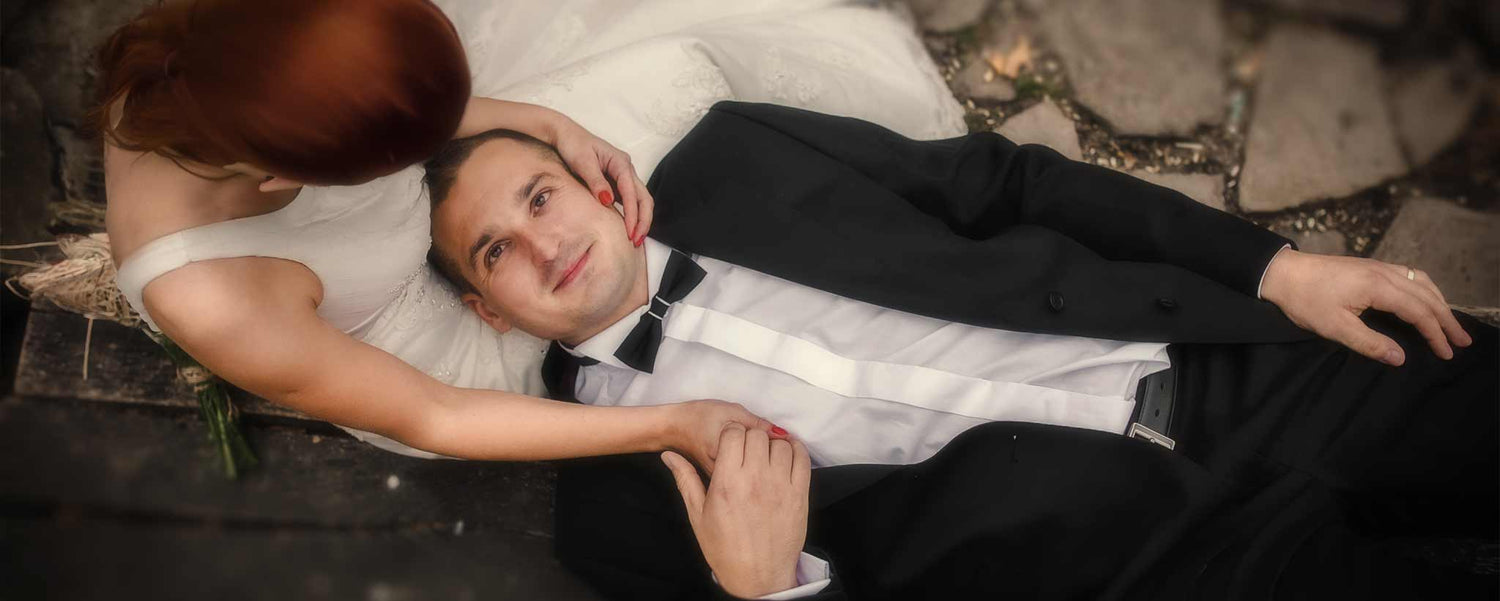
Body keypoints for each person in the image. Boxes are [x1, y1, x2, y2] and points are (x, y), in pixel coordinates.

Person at [423, 102, 1497, 599]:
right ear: (492, 314)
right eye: (496, 252)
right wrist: (773, 595)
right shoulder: (607, 519)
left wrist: (1272, 269)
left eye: (539, 194)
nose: (543, 241)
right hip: (1135, 566)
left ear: (592, 181)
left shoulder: (736, 155)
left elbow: (1010, 185)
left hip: (1221, 365)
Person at [102, 0, 782, 468]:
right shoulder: (211, 294)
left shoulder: (251, 48)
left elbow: (389, 114)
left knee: (672, 95)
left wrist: (550, 125)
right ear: (279, 180)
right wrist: (673, 424)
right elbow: (438, 415)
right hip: (436, 359)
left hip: (454, 192)